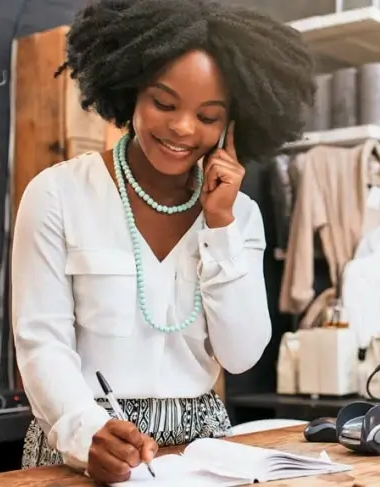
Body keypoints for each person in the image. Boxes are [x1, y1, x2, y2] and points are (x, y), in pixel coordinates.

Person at [11, 0, 315, 482]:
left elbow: (240, 355)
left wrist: (220, 225)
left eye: (209, 116)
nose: (182, 128)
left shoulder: (240, 216)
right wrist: (87, 432)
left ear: (233, 124)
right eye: (164, 103)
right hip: (86, 442)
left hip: (203, 449)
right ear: (131, 89)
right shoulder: (57, 195)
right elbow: (41, 343)